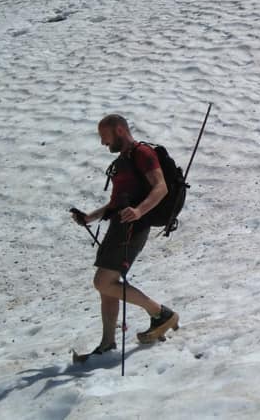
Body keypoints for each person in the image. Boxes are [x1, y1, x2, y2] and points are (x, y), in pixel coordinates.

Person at [71, 114, 179, 356]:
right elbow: (115, 204)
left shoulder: (142, 153)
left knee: (103, 281)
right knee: (107, 286)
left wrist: (139, 211)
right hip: (119, 227)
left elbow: (161, 187)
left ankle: (161, 313)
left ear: (119, 130)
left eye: (104, 137)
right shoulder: (124, 160)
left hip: (133, 228)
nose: (102, 143)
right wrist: (89, 217)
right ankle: (107, 344)